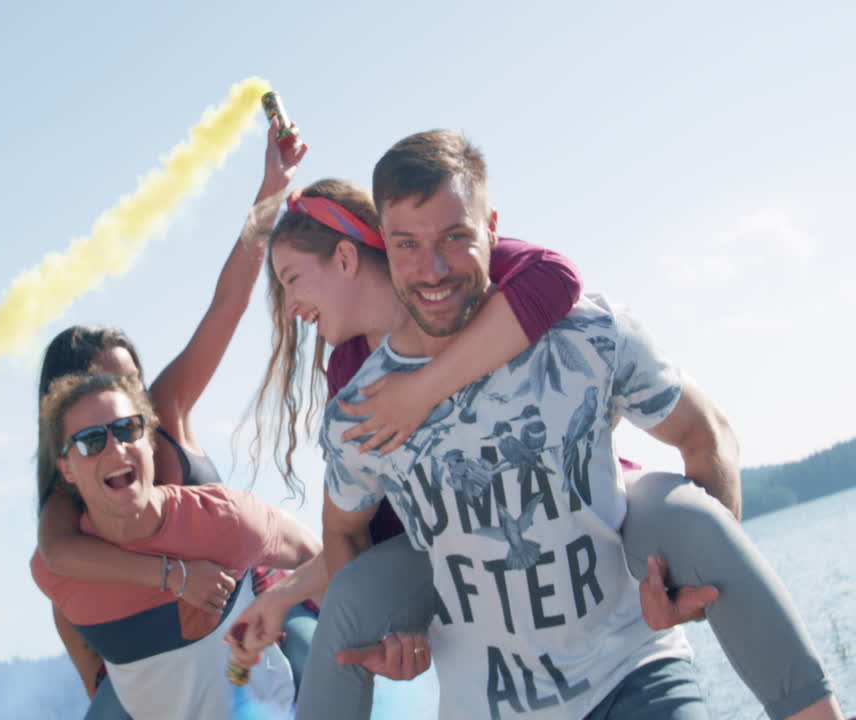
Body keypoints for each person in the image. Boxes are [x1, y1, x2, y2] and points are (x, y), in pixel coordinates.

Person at [231, 167, 837, 720]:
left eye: (289, 281)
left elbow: (557, 277)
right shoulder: (352, 381)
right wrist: (325, 606)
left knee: (688, 518)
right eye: (409, 246)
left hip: (582, 499)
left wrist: (422, 392)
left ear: (344, 258)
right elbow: (378, 529)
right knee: (354, 601)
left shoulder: (508, 284)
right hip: (457, 575)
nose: (432, 268)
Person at [34, 119, 314, 718]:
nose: (124, 401)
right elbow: (62, 580)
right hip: (163, 661)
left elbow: (228, 304)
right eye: (101, 387)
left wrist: (272, 187)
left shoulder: (167, 406)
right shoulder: (64, 500)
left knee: (319, 663)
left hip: (263, 605)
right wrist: (175, 583)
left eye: (129, 381)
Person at [31, 373, 325, 720]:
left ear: (150, 440)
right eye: (90, 441)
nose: (115, 447)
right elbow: (72, 624)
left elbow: (324, 556)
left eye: (127, 429)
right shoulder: (57, 571)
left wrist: (280, 604)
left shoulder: (223, 518)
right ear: (66, 469)